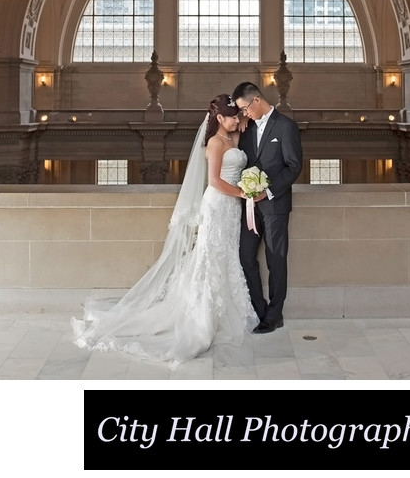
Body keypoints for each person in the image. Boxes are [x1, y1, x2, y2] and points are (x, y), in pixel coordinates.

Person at [71, 94, 259, 367]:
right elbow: (215, 181)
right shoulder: (216, 143)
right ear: (219, 118)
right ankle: (202, 317)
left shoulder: (233, 137)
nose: (235, 120)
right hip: (218, 205)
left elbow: (242, 131)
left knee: (227, 255)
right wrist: (244, 192)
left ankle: (230, 310)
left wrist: (242, 120)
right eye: (231, 116)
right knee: (209, 257)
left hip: (231, 211)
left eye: (236, 116)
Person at [232, 82, 303, 333]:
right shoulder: (248, 129)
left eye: (244, 109)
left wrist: (268, 191)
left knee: (276, 260)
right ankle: (260, 310)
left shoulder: (286, 127)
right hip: (250, 207)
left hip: (275, 206)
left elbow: (294, 166)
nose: (244, 114)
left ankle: (275, 315)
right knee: (245, 256)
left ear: (257, 101)